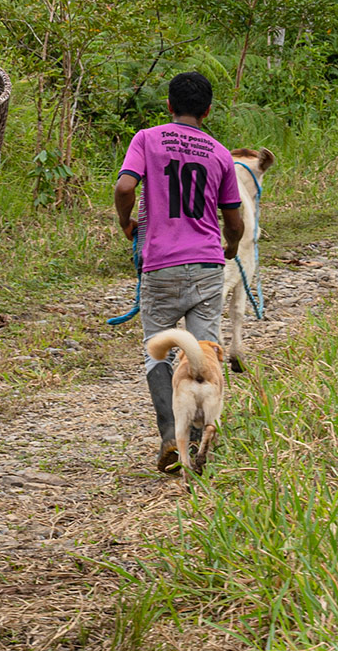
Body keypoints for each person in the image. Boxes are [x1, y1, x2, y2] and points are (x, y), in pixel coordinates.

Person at [115, 71, 244, 473]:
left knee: (159, 350)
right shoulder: (221, 153)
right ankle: (204, 432)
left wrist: (126, 223)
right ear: (207, 111)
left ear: (168, 105)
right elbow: (234, 219)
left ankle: (171, 432)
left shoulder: (147, 139)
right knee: (205, 349)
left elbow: (124, 187)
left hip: (161, 264)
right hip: (207, 263)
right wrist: (233, 246)